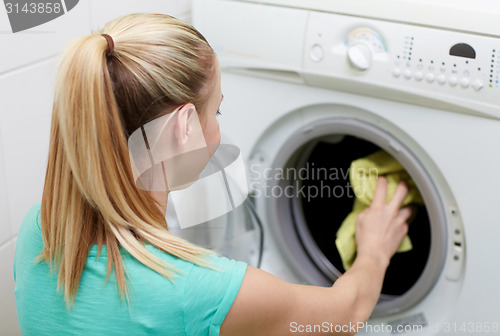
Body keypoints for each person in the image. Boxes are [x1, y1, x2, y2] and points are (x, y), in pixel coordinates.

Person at [14, 13, 411, 336]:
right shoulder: (203, 291)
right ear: (183, 127)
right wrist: (374, 248)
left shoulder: (38, 230)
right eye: (215, 111)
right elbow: (344, 314)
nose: (218, 132)